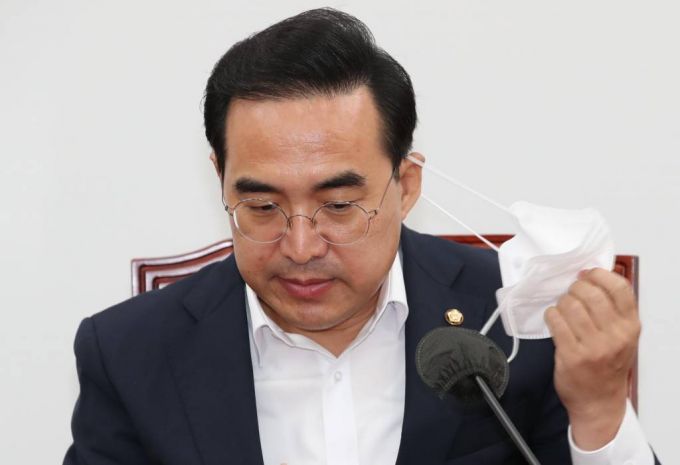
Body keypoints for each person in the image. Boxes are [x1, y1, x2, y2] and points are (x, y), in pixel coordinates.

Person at [64, 8, 660, 465]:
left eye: (340, 205)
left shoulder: (519, 319)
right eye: (263, 206)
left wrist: (601, 412)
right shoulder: (129, 353)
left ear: (406, 185)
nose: (301, 248)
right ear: (220, 178)